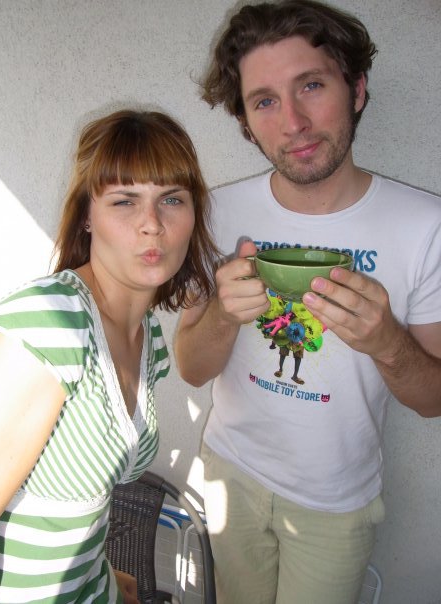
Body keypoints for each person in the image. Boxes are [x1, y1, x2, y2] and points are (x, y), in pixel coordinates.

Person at [174, 1, 441, 603]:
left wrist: (388, 343)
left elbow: (434, 401)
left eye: (312, 86)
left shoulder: (425, 226)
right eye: (264, 101)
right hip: (230, 473)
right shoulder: (217, 212)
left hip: (335, 504)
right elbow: (190, 368)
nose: (292, 121)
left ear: (357, 90)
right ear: (246, 122)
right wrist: (222, 313)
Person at [0, 109, 218, 603]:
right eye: (124, 200)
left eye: (172, 199)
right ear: (87, 216)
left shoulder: (149, 336)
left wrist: (107, 574)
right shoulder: (49, 324)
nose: (152, 225)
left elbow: (73, 508)